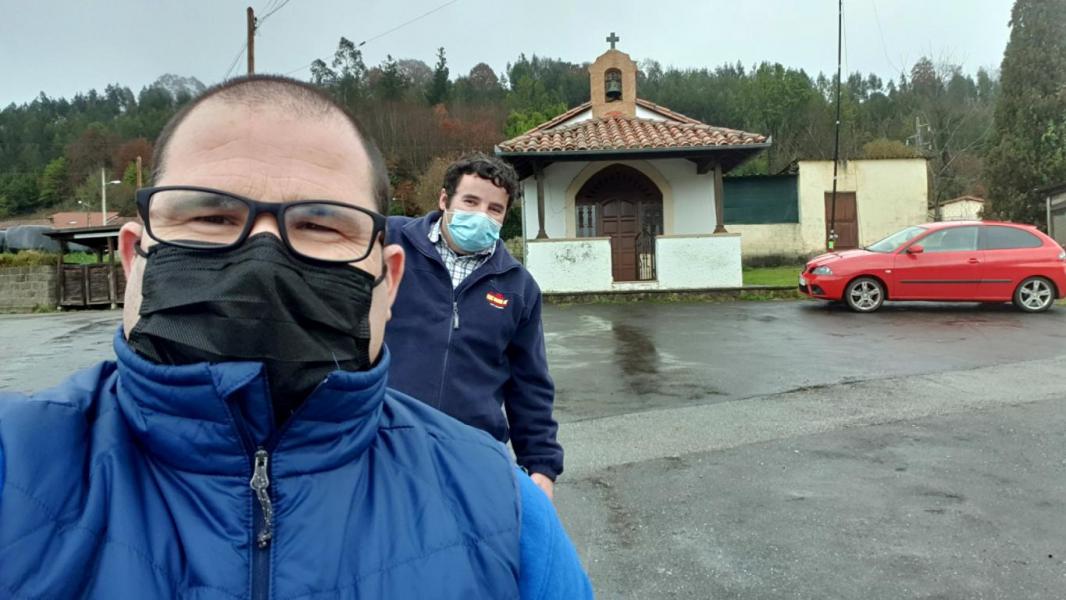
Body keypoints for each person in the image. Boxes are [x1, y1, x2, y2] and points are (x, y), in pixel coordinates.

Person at [0, 75, 592, 599]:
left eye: (319, 225)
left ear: (388, 280)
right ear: (134, 257)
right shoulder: (15, 465)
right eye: (210, 217)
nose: (264, 260)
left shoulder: (505, 514)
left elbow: (530, 382)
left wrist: (538, 463)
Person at [385, 153, 563, 500]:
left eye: (495, 209)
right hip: (385, 445)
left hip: (471, 458)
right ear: (444, 200)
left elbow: (530, 383)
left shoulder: (518, 287)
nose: (482, 215)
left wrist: (541, 464)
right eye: (470, 201)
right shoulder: (390, 242)